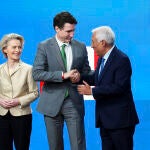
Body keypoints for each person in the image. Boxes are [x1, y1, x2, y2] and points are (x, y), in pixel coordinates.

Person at [32, 11, 91, 150]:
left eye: (73, 31)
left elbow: (86, 72)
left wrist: (79, 76)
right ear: (57, 29)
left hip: (73, 102)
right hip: (51, 104)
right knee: (55, 146)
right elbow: (37, 73)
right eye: (68, 31)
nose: (72, 35)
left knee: (78, 145)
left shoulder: (80, 46)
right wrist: (63, 75)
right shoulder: (44, 46)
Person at [77, 26, 139, 150]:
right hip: (105, 120)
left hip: (120, 122)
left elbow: (119, 87)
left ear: (103, 43)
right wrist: (79, 77)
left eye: (93, 41)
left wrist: (92, 91)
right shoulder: (102, 58)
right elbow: (97, 77)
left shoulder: (122, 59)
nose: (92, 45)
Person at [0, 33, 38, 150]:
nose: (18, 50)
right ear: (5, 49)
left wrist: (18, 101)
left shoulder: (28, 69)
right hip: (2, 115)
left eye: (20, 47)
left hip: (22, 116)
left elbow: (35, 93)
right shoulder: (0, 69)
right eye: (14, 47)